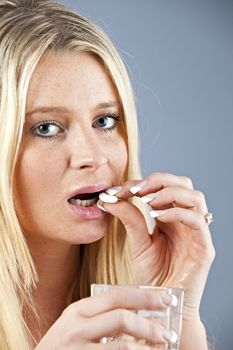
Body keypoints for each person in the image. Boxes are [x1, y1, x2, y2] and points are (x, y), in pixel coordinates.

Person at [0, 0, 215, 349]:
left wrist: (176, 314)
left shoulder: (134, 310)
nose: (93, 156)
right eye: (46, 128)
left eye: (105, 121)